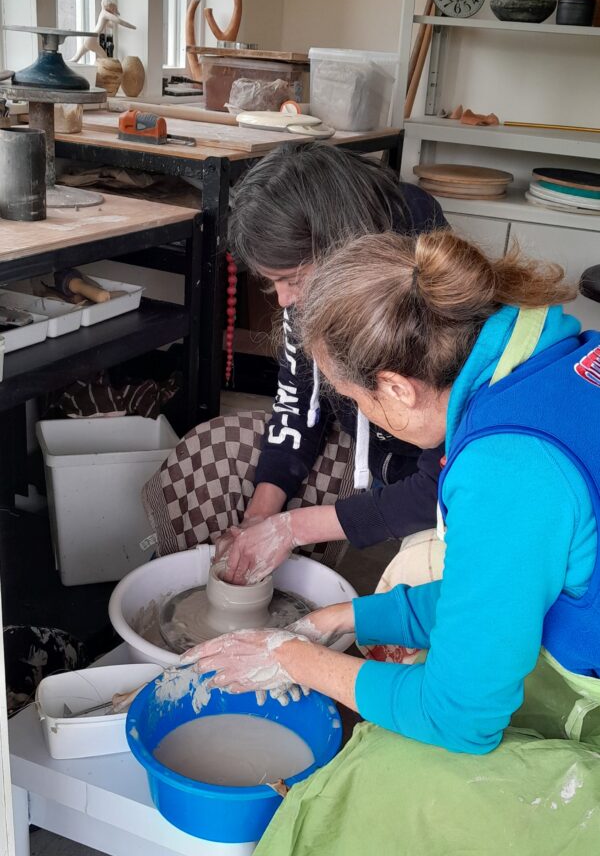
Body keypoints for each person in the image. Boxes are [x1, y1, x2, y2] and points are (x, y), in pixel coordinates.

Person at [185, 230, 600, 856]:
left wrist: (292, 657)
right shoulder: (556, 361)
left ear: (396, 388)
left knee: (383, 774)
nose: (363, 415)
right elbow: (497, 593)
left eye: (355, 401)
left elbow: (459, 719)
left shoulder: (508, 468)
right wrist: (339, 617)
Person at [144, 142, 446, 565]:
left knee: (416, 577)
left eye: (292, 279)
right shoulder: (317, 280)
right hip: (369, 448)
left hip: (436, 483)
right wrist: (259, 519)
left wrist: (291, 529)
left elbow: (443, 484)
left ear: (341, 249)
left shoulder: (421, 285)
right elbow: (297, 402)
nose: (284, 300)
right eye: (272, 283)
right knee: (211, 446)